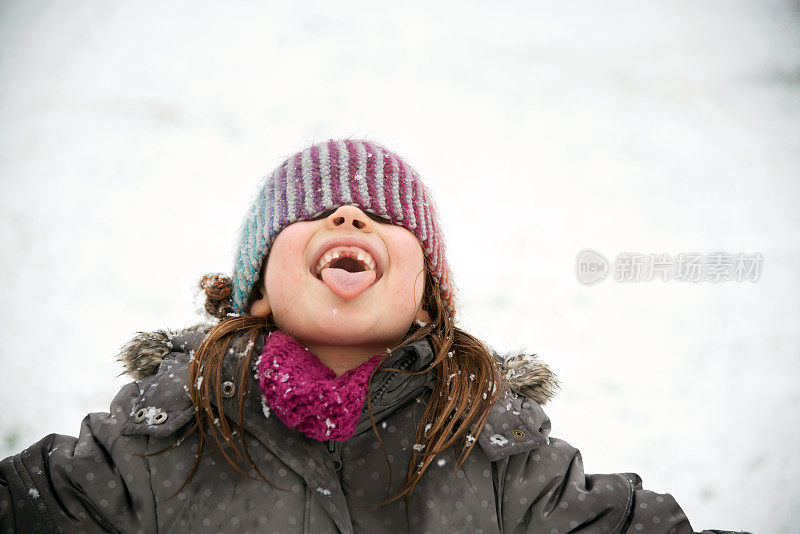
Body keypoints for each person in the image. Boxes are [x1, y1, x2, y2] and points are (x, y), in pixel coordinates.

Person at [0, 139, 747, 533]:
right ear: (256, 294)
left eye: (381, 215)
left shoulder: (499, 457)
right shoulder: (159, 440)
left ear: (427, 304)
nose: (350, 217)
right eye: (317, 210)